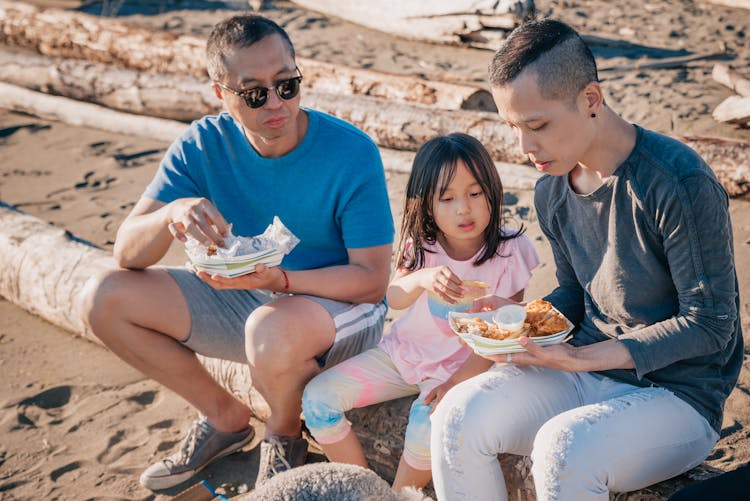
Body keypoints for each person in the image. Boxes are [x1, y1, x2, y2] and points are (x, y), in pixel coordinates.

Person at [430, 19, 743, 501]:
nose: (524, 147)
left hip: (678, 397)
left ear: (591, 100)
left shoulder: (677, 181)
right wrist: (519, 321)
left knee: (563, 448)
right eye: (513, 127)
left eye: (536, 125)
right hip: (587, 372)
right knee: (457, 416)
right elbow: (577, 293)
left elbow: (711, 322)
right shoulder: (552, 189)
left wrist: (580, 358)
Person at [78, 14, 394, 491]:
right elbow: (127, 251)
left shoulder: (351, 152)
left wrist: (282, 282)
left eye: (287, 84)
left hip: (341, 311)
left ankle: (284, 435)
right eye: (254, 92)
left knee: (268, 327)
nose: (275, 103)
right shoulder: (201, 144)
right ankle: (224, 417)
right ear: (220, 94)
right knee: (103, 296)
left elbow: (372, 281)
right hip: (252, 303)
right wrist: (172, 213)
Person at [301, 133, 540, 491]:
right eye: (447, 198)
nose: (464, 208)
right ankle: (368, 490)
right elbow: (394, 296)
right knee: (317, 400)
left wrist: (454, 384)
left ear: (493, 191)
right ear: (427, 206)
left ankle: (396, 497)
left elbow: (500, 336)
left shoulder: (510, 250)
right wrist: (423, 278)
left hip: (460, 367)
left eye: (475, 193)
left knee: (425, 427)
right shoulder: (422, 245)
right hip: (402, 355)